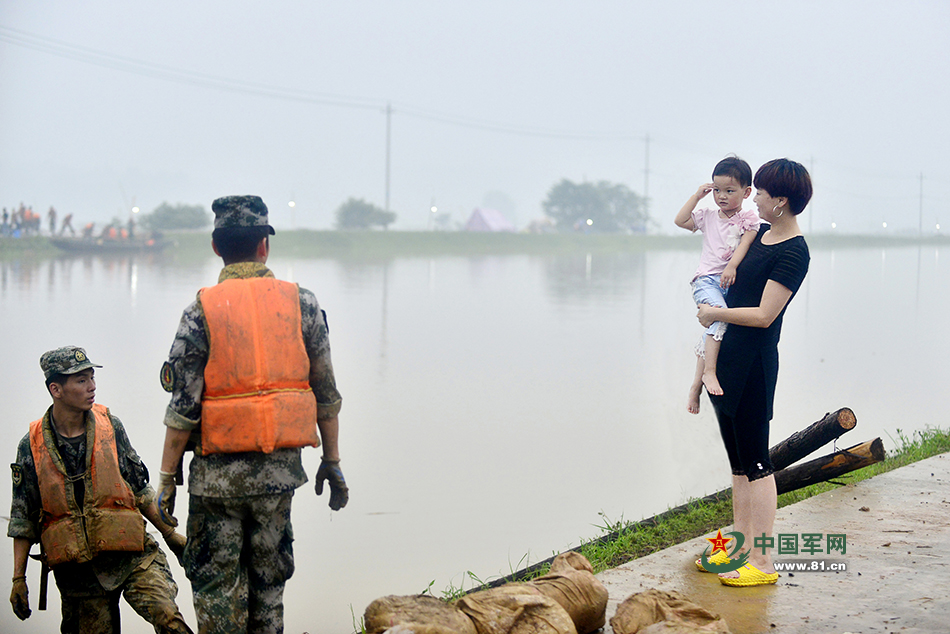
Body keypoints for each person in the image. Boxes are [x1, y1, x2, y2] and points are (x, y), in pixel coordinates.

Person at [157, 195, 348, 633]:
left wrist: (167, 480)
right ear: (265, 245)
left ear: (215, 246)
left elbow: (182, 408)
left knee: (217, 587)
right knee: (269, 586)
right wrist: (332, 462)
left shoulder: (199, 311)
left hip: (215, 483)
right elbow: (327, 394)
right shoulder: (301, 304)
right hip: (277, 480)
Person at [7, 346, 193, 633]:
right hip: (79, 575)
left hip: (132, 556)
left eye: (92, 377)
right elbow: (23, 519)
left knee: (168, 618)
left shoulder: (111, 427)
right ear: (56, 389)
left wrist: (170, 535)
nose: (92, 387)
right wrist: (18, 579)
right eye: (81, 380)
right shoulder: (30, 447)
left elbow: (141, 490)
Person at [695, 158, 812, 587]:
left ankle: (763, 564)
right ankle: (738, 550)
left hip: (754, 365)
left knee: (759, 464)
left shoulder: (794, 251)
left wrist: (712, 312)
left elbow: (764, 315)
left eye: (760, 192)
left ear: (780, 201)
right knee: (738, 464)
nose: (754, 197)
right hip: (723, 362)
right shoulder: (758, 234)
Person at [675, 156, 760, 414]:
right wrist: (696, 196)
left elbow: (745, 244)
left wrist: (732, 266)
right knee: (720, 319)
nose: (721, 196)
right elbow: (680, 221)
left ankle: (694, 387)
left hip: (728, 282)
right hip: (706, 281)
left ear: (746, 192)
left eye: (729, 191)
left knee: (711, 330)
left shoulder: (748, 219)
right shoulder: (708, 216)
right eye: (717, 190)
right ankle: (709, 373)